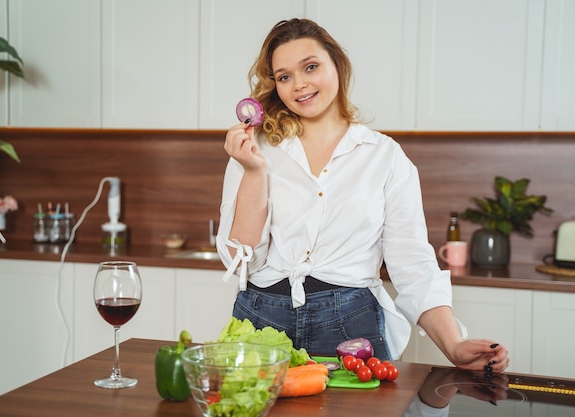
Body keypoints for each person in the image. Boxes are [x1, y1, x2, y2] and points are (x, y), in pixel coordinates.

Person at [216, 18, 509, 372]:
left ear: (337, 65)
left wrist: (454, 344)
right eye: (284, 76)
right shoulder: (253, 150)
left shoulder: (384, 156)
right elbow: (242, 263)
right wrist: (254, 171)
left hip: (348, 326)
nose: (300, 84)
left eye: (311, 66)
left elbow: (413, 264)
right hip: (259, 321)